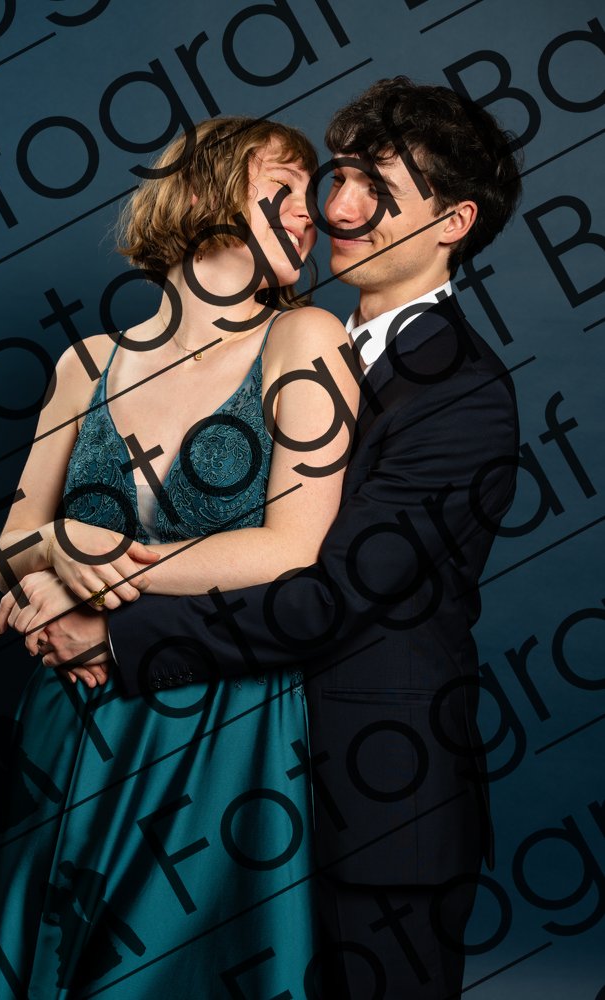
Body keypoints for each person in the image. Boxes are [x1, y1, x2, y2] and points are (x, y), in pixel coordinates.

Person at [39, 77, 523, 998]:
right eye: (343, 178)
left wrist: (112, 632)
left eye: (380, 190)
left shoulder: (461, 393)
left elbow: (326, 599)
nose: (338, 210)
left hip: (375, 807)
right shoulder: (284, 345)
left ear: (452, 221)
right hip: (230, 789)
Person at [0, 115, 358, 997]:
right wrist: (59, 546)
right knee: (55, 961)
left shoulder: (305, 337)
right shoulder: (86, 363)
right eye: (282, 189)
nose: (310, 214)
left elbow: (289, 548)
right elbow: (9, 546)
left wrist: (95, 566)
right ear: (201, 195)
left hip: (219, 720)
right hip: (73, 711)